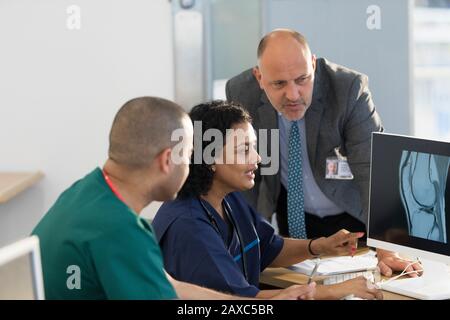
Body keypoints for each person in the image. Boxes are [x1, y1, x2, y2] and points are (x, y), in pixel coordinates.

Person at [32, 96, 314, 300]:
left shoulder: (85, 192)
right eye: (190, 154)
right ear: (168, 159)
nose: (194, 164)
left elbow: (170, 287)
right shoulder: (121, 230)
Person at [225, 29, 422, 277]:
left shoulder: (348, 88)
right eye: (279, 84)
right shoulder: (240, 92)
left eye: (302, 79)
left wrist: (387, 247)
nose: (293, 94)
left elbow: (372, 167)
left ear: (314, 65)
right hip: (292, 214)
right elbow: (242, 175)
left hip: (352, 215)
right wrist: (243, 240)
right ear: (259, 77)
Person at [153, 100, 382, 300]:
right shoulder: (189, 225)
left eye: (254, 147)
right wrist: (333, 291)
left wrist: (319, 246)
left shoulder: (229, 198)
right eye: (244, 150)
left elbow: (269, 248)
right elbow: (239, 300)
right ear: (210, 159)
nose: (258, 158)